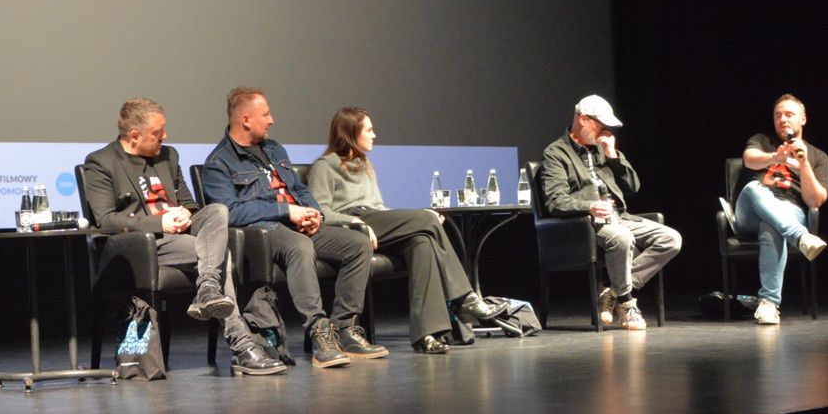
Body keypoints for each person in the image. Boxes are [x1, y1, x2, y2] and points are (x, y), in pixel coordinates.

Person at [82, 98, 286, 376]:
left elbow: (190, 203)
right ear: (134, 136)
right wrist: (159, 222)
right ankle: (241, 345)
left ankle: (208, 291)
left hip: (181, 234)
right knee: (219, 255)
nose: (165, 137)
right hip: (143, 246)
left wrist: (184, 214)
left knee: (216, 211)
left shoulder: (169, 156)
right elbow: (105, 220)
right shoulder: (102, 162)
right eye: (157, 133)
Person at [202, 87, 386, 368]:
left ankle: (344, 328)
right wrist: (288, 211)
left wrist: (315, 214)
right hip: (264, 232)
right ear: (245, 119)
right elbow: (232, 213)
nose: (272, 119)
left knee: (357, 245)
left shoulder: (275, 149)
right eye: (265, 114)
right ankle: (318, 331)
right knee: (300, 246)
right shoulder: (219, 163)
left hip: (301, 225)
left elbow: (299, 187)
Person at [306, 107, 514, 354]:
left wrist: (406, 219)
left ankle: (426, 335)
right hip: (354, 226)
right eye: (369, 130)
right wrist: (356, 223)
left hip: (376, 221)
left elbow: (380, 208)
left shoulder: (364, 164)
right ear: (351, 132)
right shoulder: (324, 166)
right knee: (428, 220)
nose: (375, 135)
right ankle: (465, 298)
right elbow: (321, 212)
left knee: (422, 242)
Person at [540, 94, 682, 330]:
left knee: (671, 239)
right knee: (621, 238)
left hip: (621, 216)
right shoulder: (556, 153)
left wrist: (613, 156)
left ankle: (612, 290)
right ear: (583, 119)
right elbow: (555, 201)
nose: (604, 131)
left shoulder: (604, 149)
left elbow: (633, 187)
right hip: (587, 223)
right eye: (600, 125)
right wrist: (589, 206)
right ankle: (626, 303)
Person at [723, 94, 828, 325]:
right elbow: (749, 160)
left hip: (789, 211)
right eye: (777, 115)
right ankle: (801, 237)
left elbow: (815, 201)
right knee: (754, 187)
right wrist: (775, 157)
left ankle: (769, 304)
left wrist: (803, 165)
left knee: (771, 224)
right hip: (749, 210)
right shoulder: (762, 140)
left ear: (803, 119)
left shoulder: (818, 156)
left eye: (789, 114)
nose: (782, 119)